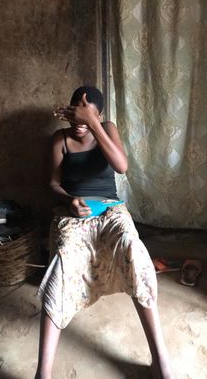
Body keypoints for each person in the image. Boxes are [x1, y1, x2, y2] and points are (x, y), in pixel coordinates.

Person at [34, 86, 173, 379]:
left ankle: (160, 360)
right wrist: (69, 200)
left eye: (88, 116)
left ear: (99, 115)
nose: (80, 124)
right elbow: (53, 185)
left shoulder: (107, 128)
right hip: (73, 212)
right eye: (76, 115)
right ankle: (42, 373)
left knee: (132, 248)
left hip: (111, 209)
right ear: (69, 112)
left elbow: (121, 166)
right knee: (62, 262)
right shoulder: (60, 139)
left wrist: (95, 124)